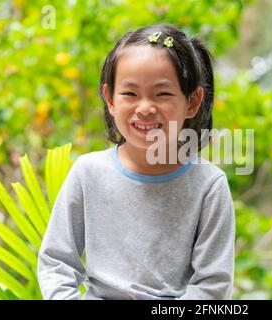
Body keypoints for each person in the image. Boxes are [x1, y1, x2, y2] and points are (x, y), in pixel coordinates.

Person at [37, 23, 236, 300]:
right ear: (110, 99)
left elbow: (212, 285)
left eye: (162, 94)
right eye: (130, 94)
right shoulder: (88, 172)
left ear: (192, 102)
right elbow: (56, 262)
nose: (145, 108)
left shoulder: (209, 185)